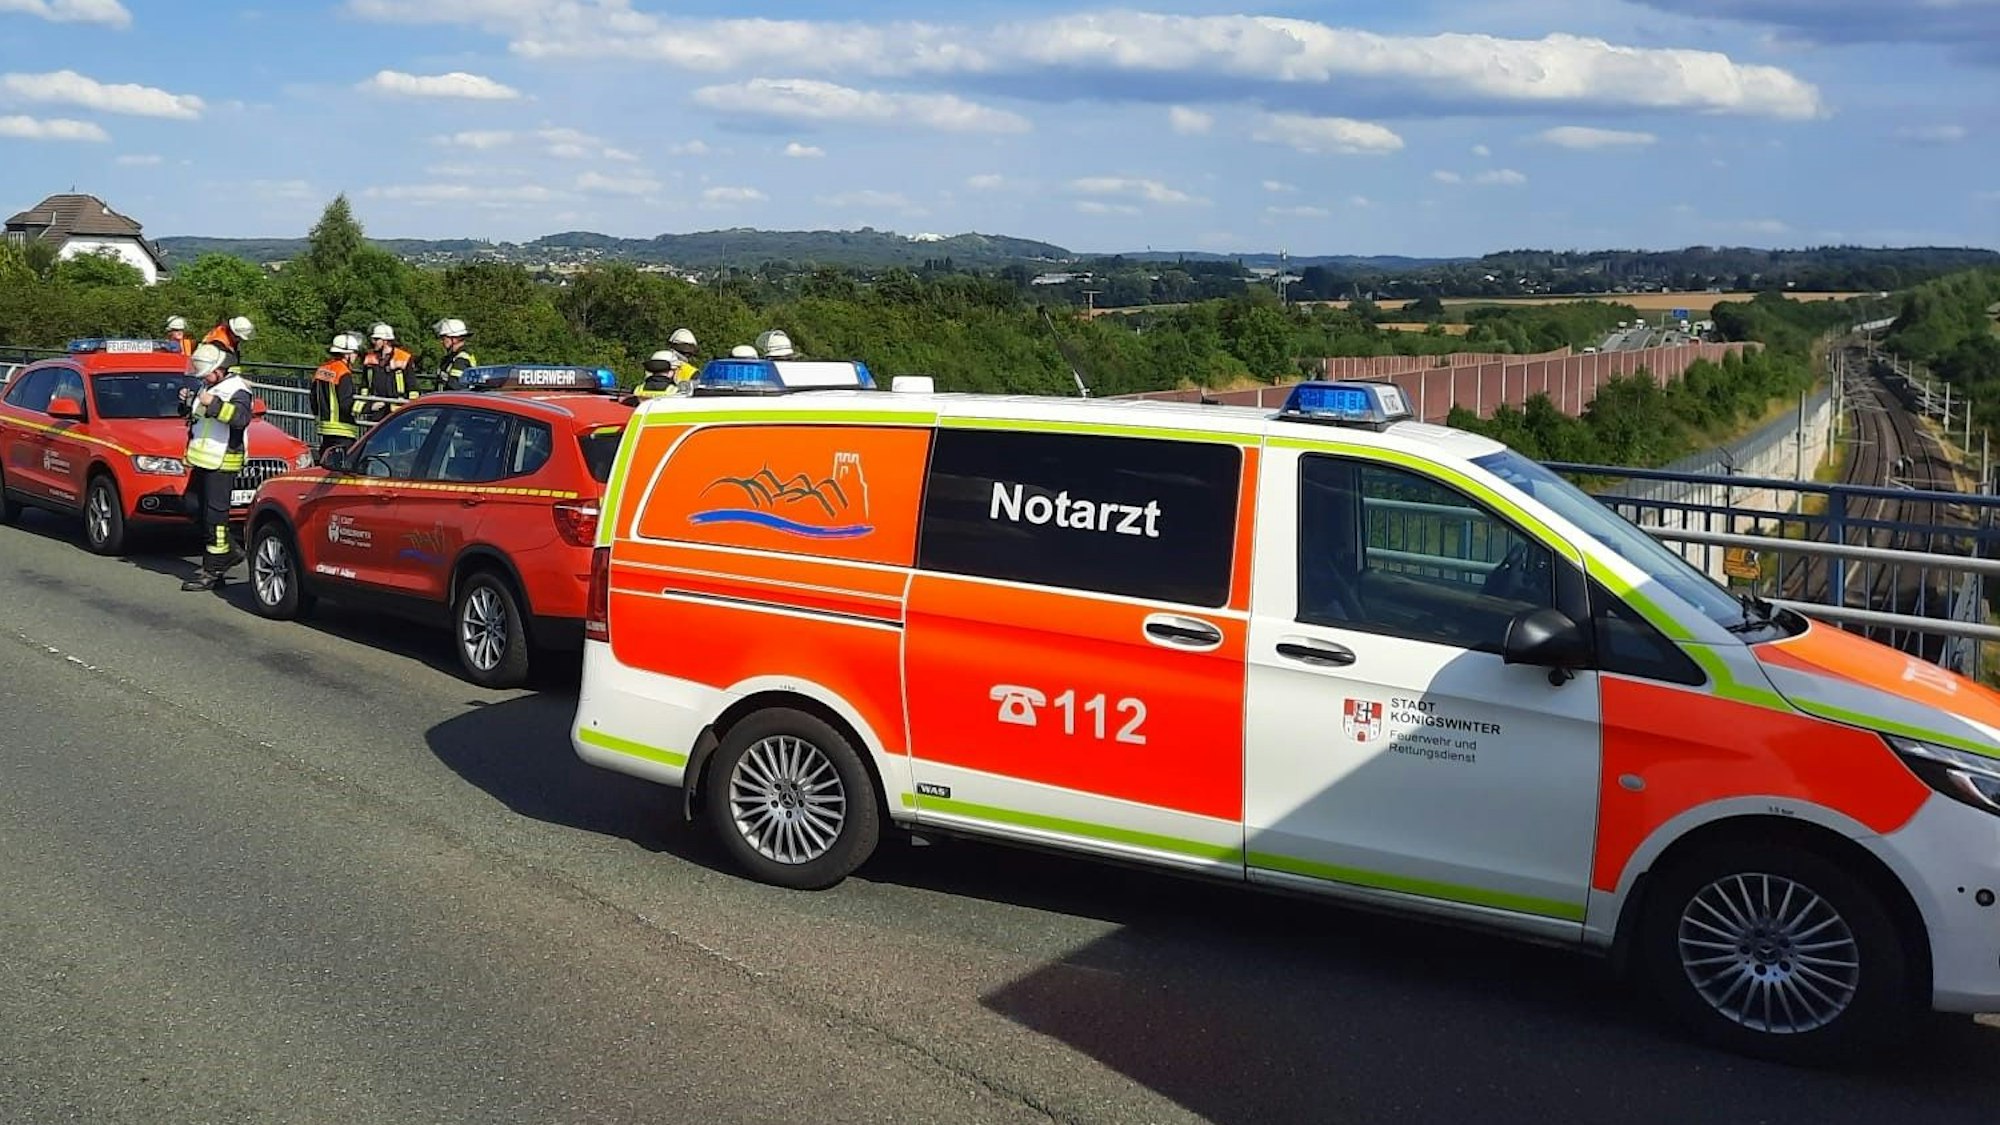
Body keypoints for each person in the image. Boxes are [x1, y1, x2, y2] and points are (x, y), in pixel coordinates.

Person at [178, 316, 256, 591]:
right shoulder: (207, 385)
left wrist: (214, 405)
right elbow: (196, 420)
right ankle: (230, 553)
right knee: (192, 506)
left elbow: (241, 418)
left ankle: (212, 570)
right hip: (203, 459)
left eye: (207, 373)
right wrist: (187, 403)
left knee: (215, 518)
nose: (203, 378)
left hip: (224, 460)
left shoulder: (237, 389)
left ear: (220, 369)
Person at [310, 332, 363, 461]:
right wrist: (370, 407)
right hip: (343, 429)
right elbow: (346, 404)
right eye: (355, 353)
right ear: (347, 354)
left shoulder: (322, 369)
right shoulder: (343, 372)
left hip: (325, 428)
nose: (356, 356)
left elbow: (312, 398)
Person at [360, 323, 414, 422]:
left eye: (376, 339)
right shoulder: (369, 358)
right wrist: (368, 405)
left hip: (397, 409)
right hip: (376, 407)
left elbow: (412, 386)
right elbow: (364, 385)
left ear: (385, 341)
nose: (373, 342)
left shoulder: (403, 357)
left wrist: (411, 408)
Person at [430, 318, 478, 392]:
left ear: (454, 339)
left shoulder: (461, 359)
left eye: (444, 338)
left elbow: (454, 386)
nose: (441, 341)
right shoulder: (451, 358)